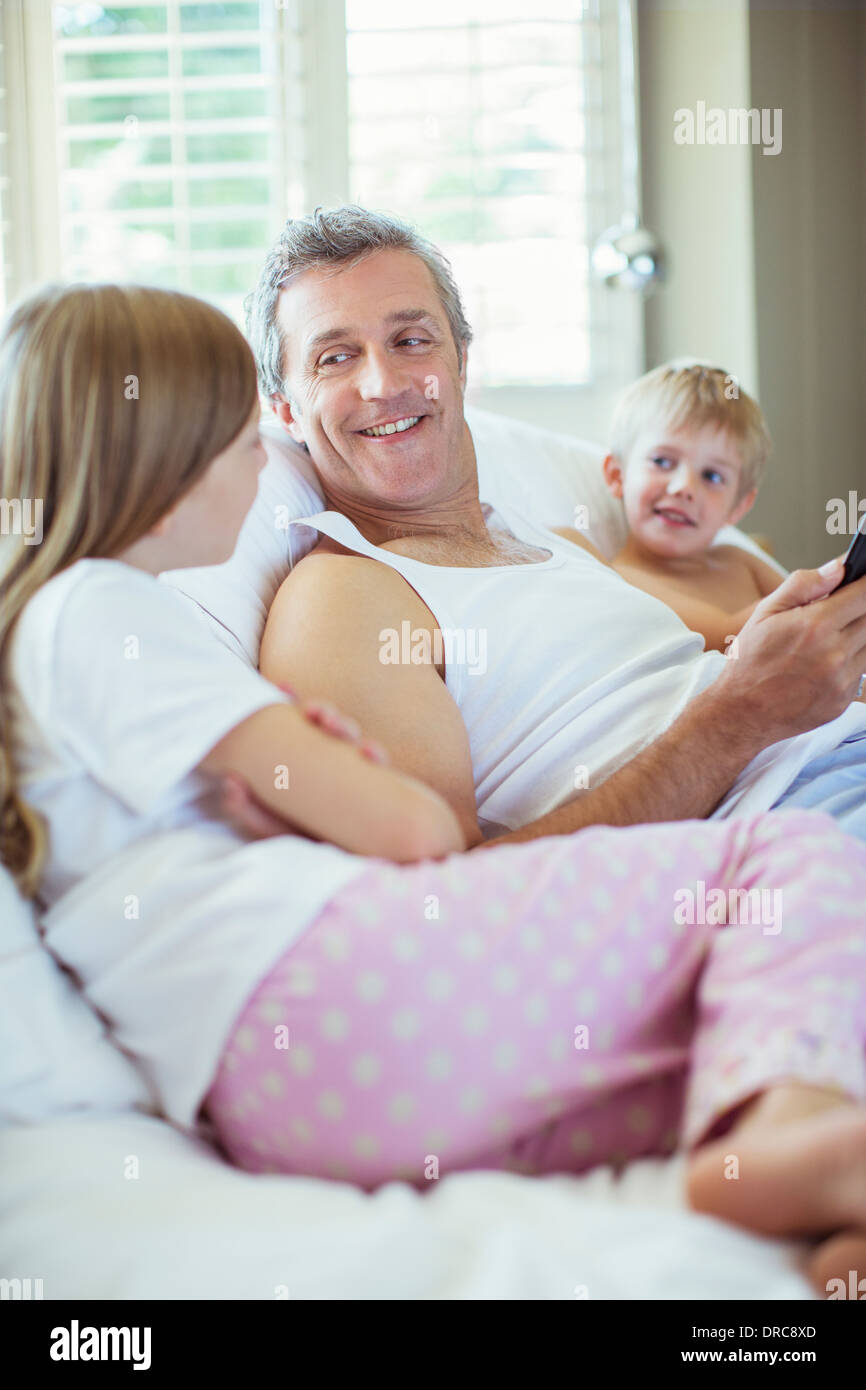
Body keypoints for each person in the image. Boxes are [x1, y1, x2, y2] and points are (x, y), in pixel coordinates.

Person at [3, 281, 866, 1296]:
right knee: (789, 862)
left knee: (717, 1054)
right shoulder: (107, 607)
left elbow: (256, 812)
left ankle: (818, 1206)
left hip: (312, 1085)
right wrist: (323, 772)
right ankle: (793, 1149)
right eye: (244, 443)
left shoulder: (68, 646)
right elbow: (415, 835)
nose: (260, 473)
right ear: (166, 458)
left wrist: (280, 780)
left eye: (412, 338)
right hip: (315, 998)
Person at [250, 204, 866, 847]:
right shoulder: (340, 598)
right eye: (336, 358)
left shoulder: (557, 542)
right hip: (790, 824)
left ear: (461, 362)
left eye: (411, 341)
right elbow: (443, 895)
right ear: (285, 409)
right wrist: (740, 716)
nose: (383, 382)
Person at [552, 360, 784, 653]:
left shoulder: (741, 561)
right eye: (662, 461)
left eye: (712, 476)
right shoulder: (623, 580)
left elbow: (820, 616)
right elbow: (731, 637)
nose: (684, 487)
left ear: (738, 507)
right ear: (617, 475)